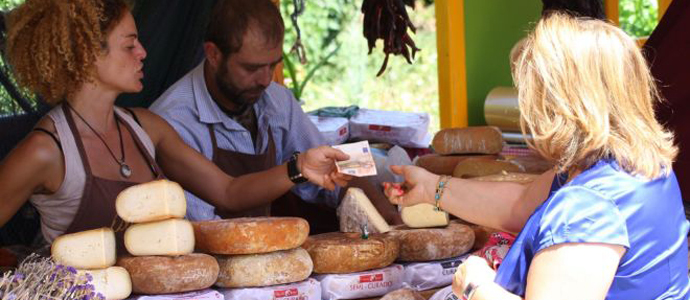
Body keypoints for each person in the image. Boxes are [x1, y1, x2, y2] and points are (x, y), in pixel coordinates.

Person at [0, 0, 350, 249]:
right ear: (87, 54)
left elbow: (229, 193)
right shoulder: (46, 150)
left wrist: (299, 167)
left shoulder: (147, 128)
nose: (143, 53)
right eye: (129, 45)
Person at [386, 13, 689, 300]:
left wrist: (475, 286)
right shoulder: (639, 163)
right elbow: (521, 204)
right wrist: (431, 187)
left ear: (559, 105)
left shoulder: (586, 207)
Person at [149, 0, 400, 227]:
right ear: (213, 54)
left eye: (273, 65)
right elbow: (204, 228)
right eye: (252, 68)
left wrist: (384, 211)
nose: (266, 79)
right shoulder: (174, 119)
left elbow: (337, 163)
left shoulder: (277, 99)